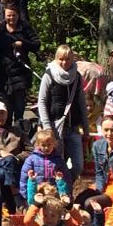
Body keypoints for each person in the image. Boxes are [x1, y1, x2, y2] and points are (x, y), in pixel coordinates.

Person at [36, 45, 89, 184]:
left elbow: (81, 102)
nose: (64, 63)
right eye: (61, 59)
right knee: (56, 164)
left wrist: (86, 127)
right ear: (56, 59)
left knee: (78, 165)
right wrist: (47, 127)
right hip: (54, 127)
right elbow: (41, 101)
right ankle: (56, 193)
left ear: (72, 59)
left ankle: (65, 187)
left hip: (72, 128)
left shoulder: (76, 76)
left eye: (68, 59)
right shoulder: (49, 75)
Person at [0, 6, 39, 123]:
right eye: (9, 15)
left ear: (18, 15)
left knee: (19, 109)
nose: (11, 18)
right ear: (4, 16)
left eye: (14, 15)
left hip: (20, 72)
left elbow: (36, 44)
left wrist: (22, 44)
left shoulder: (25, 28)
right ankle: (6, 135)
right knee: (6, 110)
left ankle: (19, 133)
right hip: (3, 74)